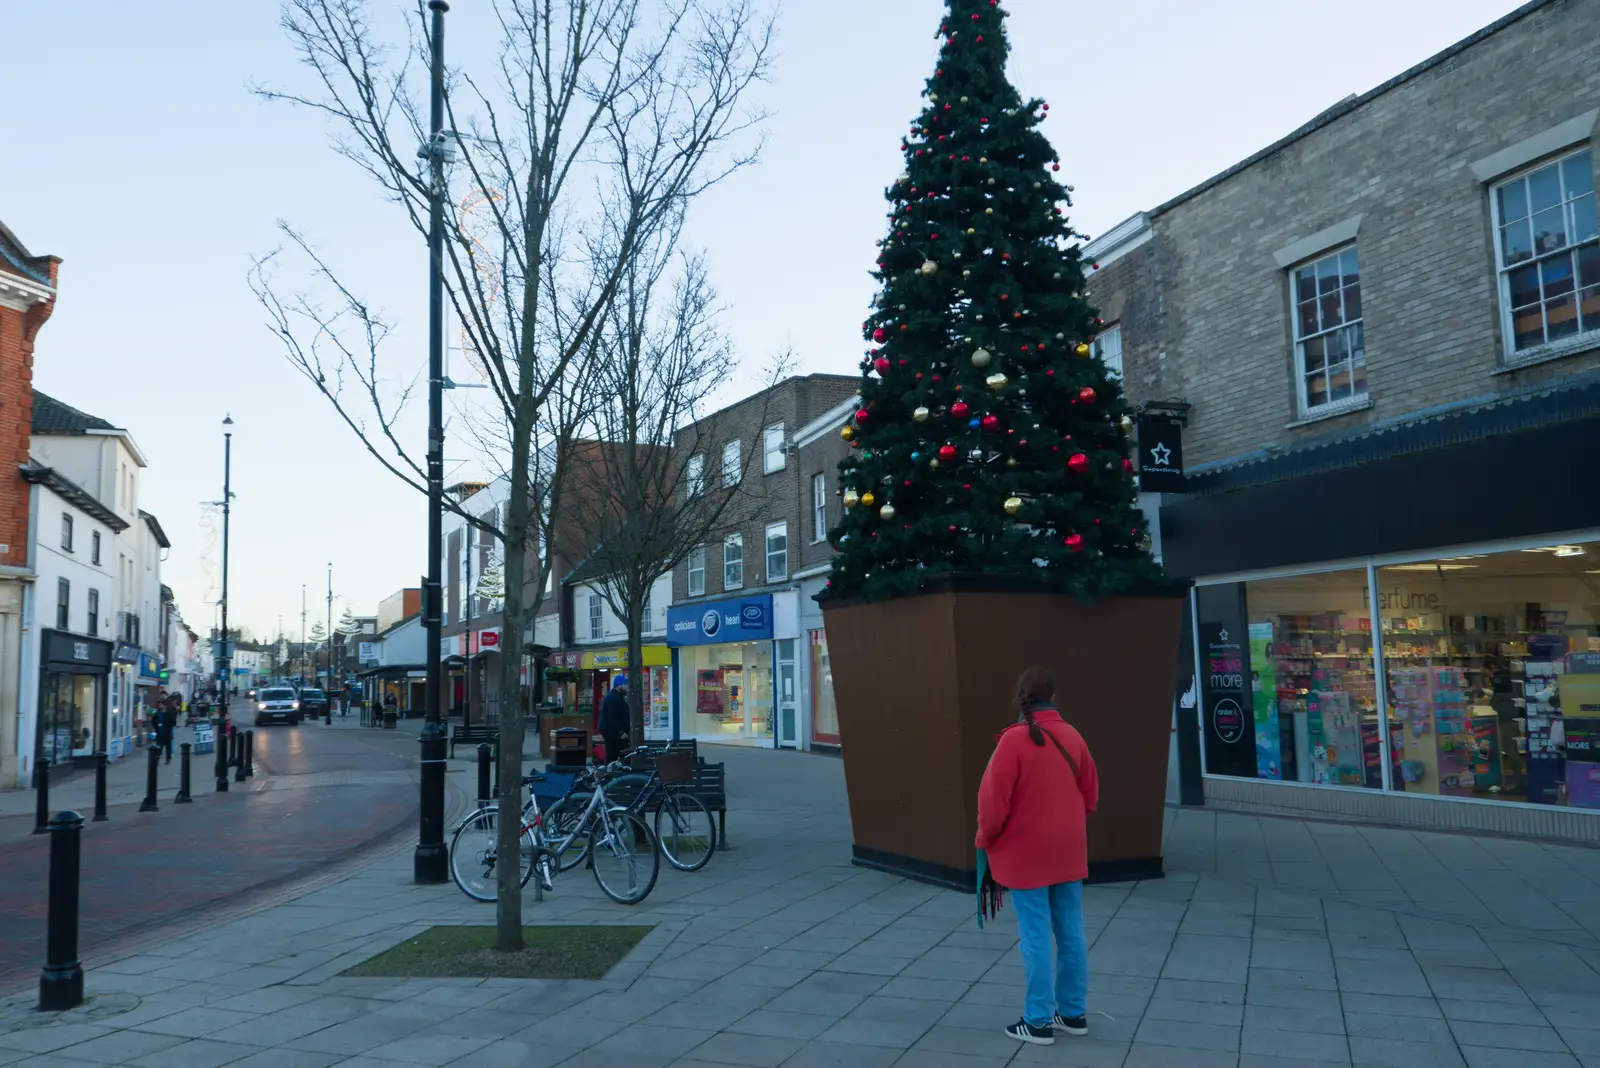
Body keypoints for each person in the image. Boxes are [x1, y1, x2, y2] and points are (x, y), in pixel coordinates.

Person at [976, 666, 1099, 1047]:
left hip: (1026, 854)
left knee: (1035, 935)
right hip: (1068, 850)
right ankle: (1073, 1013)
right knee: (1071, 931)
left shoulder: (1012, 742)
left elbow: (992, 805)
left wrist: (987, 838)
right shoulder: (1073, 736)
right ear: (1054, 697)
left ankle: (1038, 1020)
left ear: (1020, 697)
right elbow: (1090, 795)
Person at [599, 675, 631, 764]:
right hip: (614, 734)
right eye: (625, 684)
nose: (627, 686)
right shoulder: (613, 699)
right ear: (619, 686)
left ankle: (611, 772)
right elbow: (611, 718)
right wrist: (621, 732)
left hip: (615, 733)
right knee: (621, 754)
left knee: (615, 755)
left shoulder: (617, 697)